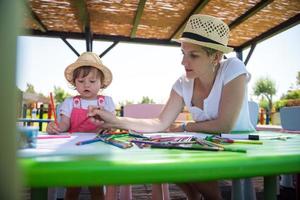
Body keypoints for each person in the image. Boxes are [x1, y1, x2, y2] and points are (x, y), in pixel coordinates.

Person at [88, 14, 255, 200]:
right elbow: (159, 122)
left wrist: (186, 127)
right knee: (165, 152)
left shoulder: (233, 67)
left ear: (215, 57)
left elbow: (225, 125)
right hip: (205, 147)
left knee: (190, 160)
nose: (184, 62)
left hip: (240, 146)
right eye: (183, 53)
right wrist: (115, 120)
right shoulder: (183, 83)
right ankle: (195, 196)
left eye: (193, 55)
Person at [46, 52, 116, 200]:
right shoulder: (70, 102)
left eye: (92, 81)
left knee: (96, 189)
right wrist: (55, 126)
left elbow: (113, 124)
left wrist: (108, 127)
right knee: (72, 188)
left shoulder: (106, 102)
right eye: (81, 81)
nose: (86, 85)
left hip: (98, 149)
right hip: (74, 149)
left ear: (101, 83)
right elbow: (64, 124)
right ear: (74, 83)